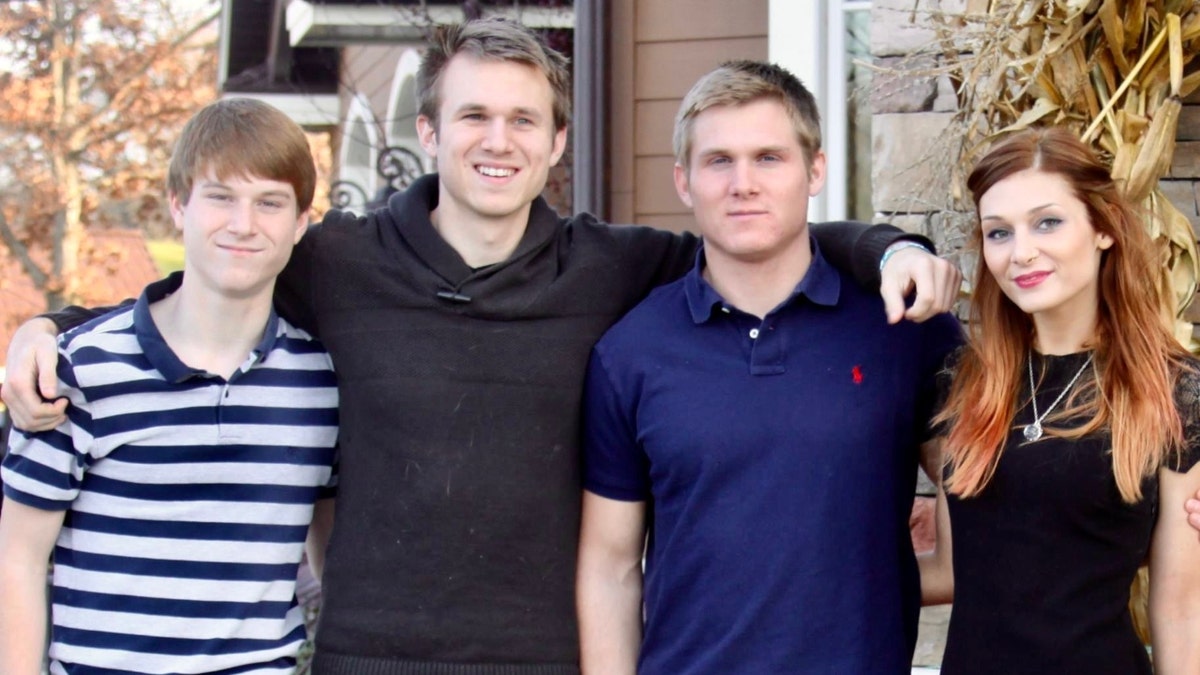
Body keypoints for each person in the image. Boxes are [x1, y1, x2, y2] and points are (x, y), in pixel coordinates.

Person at [1, 19, 961, 675]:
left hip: (547, 655)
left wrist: (889, 244)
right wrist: (51, 327)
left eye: (522, 120)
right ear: (428, 131)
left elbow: (760, 234)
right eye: (472, 115)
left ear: (554, 143)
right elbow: (212, 278)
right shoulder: (338, 261)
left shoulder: (616, 270)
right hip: (372, 656)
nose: (496, 141)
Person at [575, 61, 963, 674]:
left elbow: (990, 504)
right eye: (718, 161)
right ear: (684, 181)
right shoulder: (631, 352)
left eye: (769, 158)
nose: (743, 183)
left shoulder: (903, 328)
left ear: (815, 170)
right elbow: (610, 567)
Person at [0, 99, 339, 675]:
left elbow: (332, 558)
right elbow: (18, 562)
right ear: (178, 206)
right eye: (221, 197)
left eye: (270, 202)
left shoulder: (323, 384)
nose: (243, 223)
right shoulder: (78, 371)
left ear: (301, 222)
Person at [920, 127, 1200, 674]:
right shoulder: (964, 382)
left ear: (1102, 228)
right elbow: (956, 571)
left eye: (1047, 222)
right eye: (998, 233)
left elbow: (1181, 605)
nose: (1021, 253)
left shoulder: (1172, 389)